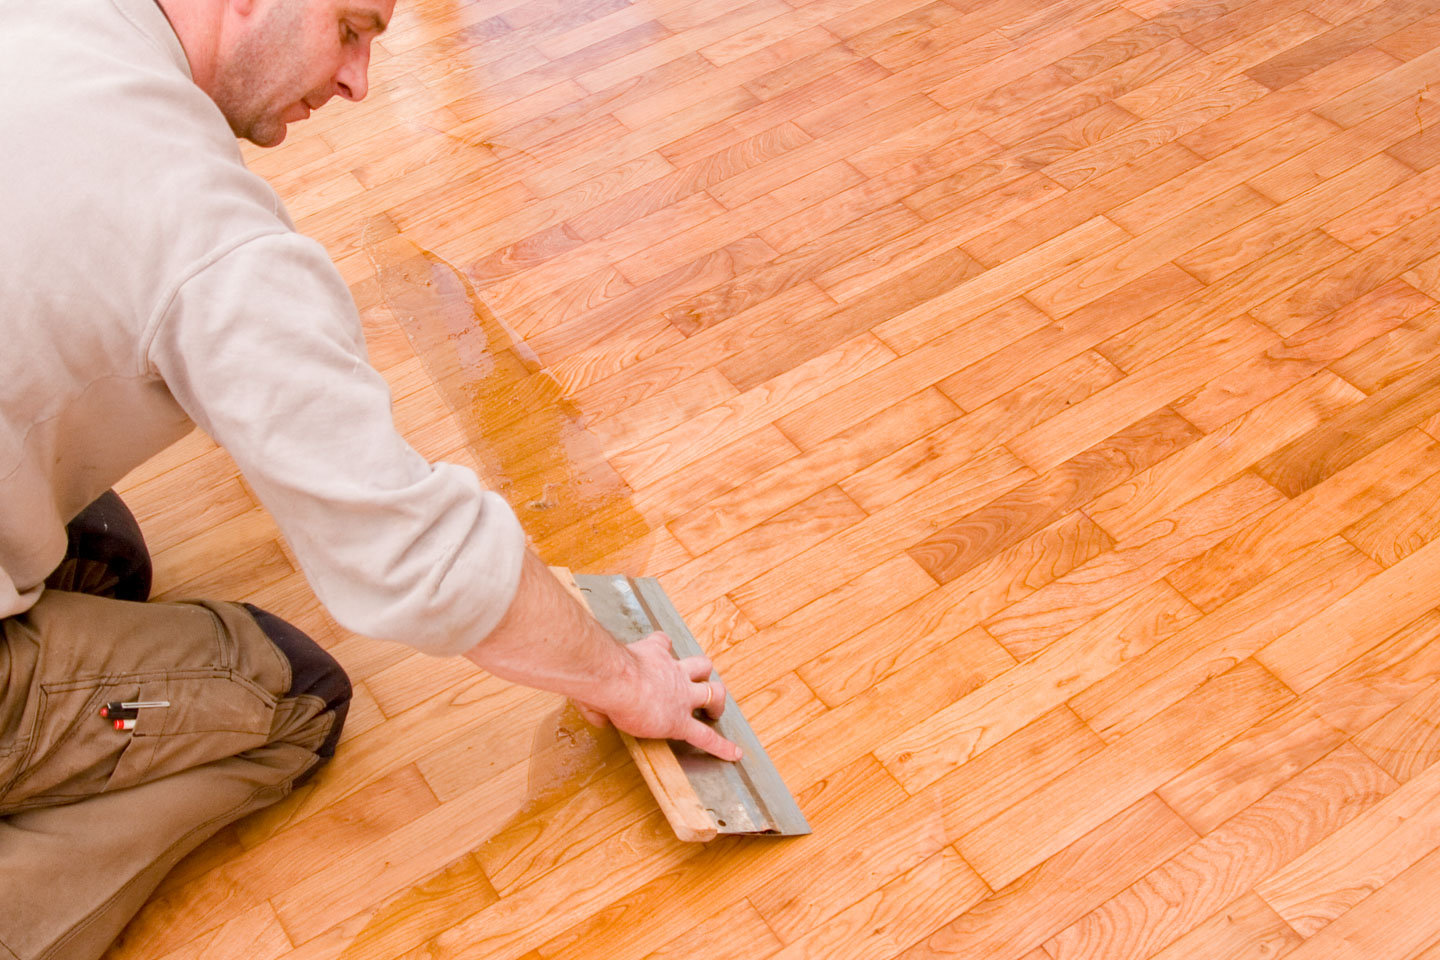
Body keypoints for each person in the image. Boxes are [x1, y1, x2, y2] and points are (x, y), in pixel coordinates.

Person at [0, 0, 740, 957]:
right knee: (291, 693)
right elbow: (408, 552)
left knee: (102, 552)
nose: (358, 81)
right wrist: (618, 679)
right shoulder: (201, 230)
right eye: (351, 28)